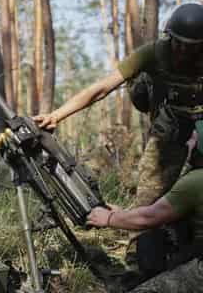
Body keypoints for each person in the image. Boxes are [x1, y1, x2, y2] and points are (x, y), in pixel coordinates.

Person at [34, 2, 203, 263]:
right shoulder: (154, 54)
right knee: (148, 200)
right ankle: (137, 263)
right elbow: (102, 88)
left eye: (190, 47)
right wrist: (57, 115)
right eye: (177, 43)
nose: (182, 51)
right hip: (168, 132)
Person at [86, 120, 203, 293]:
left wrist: (109, 218)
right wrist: (122, 213)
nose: (188, 142)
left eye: (195, 138)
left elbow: (148, 218)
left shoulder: (196, 181)